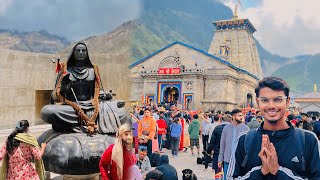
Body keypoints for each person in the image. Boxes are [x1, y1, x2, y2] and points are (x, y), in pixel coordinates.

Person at [227, 76, 320, 179]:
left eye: (277, 100)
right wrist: (261, 171)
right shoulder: (243, 140)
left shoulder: (308, 140)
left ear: (287, 102)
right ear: (258, 103)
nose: (271, 105)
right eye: (265, 100)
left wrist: (277, 171)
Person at [41, 42, 125, 134]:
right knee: (48, 111)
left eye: (83, 51)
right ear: (73, 53)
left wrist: (104, 95)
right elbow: (55, 96)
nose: (81, 53)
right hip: (70, 107)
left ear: (87, 53)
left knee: (122, 112)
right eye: (78, 51)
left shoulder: (93, 70)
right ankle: (78, 125)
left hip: (91, 105)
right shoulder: (65, 70)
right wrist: (65, 87)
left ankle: (79, 124)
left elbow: (98, 90)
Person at [218, 109, 249, 180]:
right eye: (239, 115)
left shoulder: (246, 129)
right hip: (227, 160)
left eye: (242, 115)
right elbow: (222, 145)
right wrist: (220, 159)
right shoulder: (226, 128)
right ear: (233, 116)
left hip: (239, 161)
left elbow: (248, 147)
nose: (242, 117)